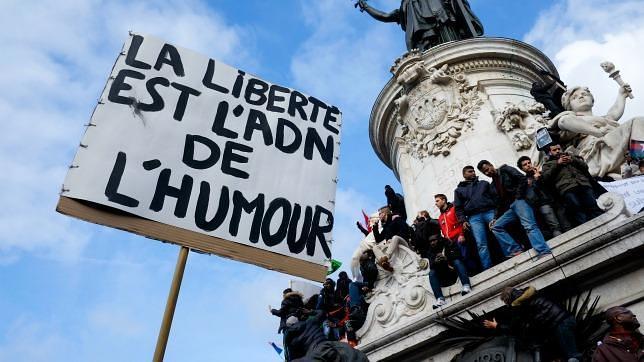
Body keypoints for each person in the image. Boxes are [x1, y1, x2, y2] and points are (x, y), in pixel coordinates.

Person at [549, 84, 644, 178]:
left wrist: (622, 95)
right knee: (635, 122)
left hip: (613, 147)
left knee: (638, 121)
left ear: (592, 101)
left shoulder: (602, 119)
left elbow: (613, 114)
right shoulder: (572, 119)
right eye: (574, 97)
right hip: (596, 153)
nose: (581, 96)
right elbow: (564, 121)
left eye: (584, 94)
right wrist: (598, 132)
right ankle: (637, 162)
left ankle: (638, 161)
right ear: (569, 106)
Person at [483, 286, 582, 362]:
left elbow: (515, 328)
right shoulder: (529, 294)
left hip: (560, 324)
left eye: (505, 302)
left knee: (573, 357)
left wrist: (496, 326)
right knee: (570, 355)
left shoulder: (518, 304)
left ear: (508, 300)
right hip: (567, 319)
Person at [477, 160, 551, 258]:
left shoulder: (505, 170)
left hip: (520, 202)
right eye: (484, 172)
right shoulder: (492, 185)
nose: (487, 173)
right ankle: (515, 250)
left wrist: (518, 196)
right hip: (511, 208)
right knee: (496, 227)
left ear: (491, 165)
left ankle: (543, 251)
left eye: (487, 169)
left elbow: (522, 179)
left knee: (529, 226)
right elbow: (498, 203)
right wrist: (495, 218)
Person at [355, 0, 483, 51]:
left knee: (456, 50)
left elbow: (458, 5)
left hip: (446, 23)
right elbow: (385, 16)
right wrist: (366, 6)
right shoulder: (406, 5)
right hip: (425, 39)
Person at [454, 166, 514, 270]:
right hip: (473, 217)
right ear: (464, 175)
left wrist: (496, 213)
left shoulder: (483, 183)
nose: (473, 173)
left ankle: (512, 252)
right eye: (470, 171)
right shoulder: (459, 190)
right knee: (481, 242)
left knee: (499, 231)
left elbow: (494, 198)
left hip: (489, 211)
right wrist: (463, 220)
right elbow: (458, 208)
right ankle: (487, 267)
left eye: (473, 171)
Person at [542, 143, 604, 226]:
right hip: (567, 189)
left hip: (583, 185)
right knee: (578, 210)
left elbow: (585, 167)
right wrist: (557, 163)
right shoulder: (547, 164)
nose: (557, 151)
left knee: (593, 206)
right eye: (554, 150)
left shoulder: (572, 157)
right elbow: (546, 177)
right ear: (550, 152)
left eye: (559, 149)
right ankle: (588, 229)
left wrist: (573, 160)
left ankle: (603, 225)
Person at [284, 310, 369, 362]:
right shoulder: (310, 322)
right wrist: (310, 312)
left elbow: (292, 356)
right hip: (330, 345)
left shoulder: (290, 336)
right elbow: (322, 313)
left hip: (317, 352)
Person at [517, 156, 565, 239]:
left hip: (555, 201)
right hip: (543, 204)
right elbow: (531, 194)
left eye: (529, 163)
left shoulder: (540, 172)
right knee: (554, 226)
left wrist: (540, 175)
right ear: (522, 169)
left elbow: (550, 183)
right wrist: (535, 179)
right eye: (525, 164)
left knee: (565, 223)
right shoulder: (524, 181)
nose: (528, 165)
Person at [435, 193, 478, 274]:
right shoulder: (440, 217)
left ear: (444, 200)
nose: (436, 203)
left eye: (437, 201)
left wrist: (461, 234)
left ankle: (475, 273)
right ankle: (467, 275)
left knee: (466, 257)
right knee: (458, 261)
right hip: (450, 243)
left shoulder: (454, 209)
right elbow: (444, 231)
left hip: (459, 238)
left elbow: (461, 222)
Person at [427, 235, 471, 309]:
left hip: (454, 271)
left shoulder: (449, 243)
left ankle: (466, 286)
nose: (432, 243)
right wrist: (435, 262)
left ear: (439, 239)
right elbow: (431, 266)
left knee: (457, 262)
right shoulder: (430, 251)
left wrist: (447, 258)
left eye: (434, 240)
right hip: (443, 276)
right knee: (431, 273)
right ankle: (440, 299)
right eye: (430, 241)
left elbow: (459, 256)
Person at [372, 206, 411, 272]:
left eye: (380, 214)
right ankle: (384, 263)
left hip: (402, 242)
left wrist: (392, 240)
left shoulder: (396, 219)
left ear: (384, 213)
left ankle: (386, 258)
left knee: (395, 237)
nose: (379, 216)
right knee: (375, 247)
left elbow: (405, 230)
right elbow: (378, 239)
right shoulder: (386, 226)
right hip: (391, 245)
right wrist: (375, 226)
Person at [270, 288, 305, 361]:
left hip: (290, 322)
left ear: (285, 294)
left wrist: (272, 311)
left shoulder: (287, 300)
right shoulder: (299, 300)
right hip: (301, 322)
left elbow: (280, 312)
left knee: (287, 343)